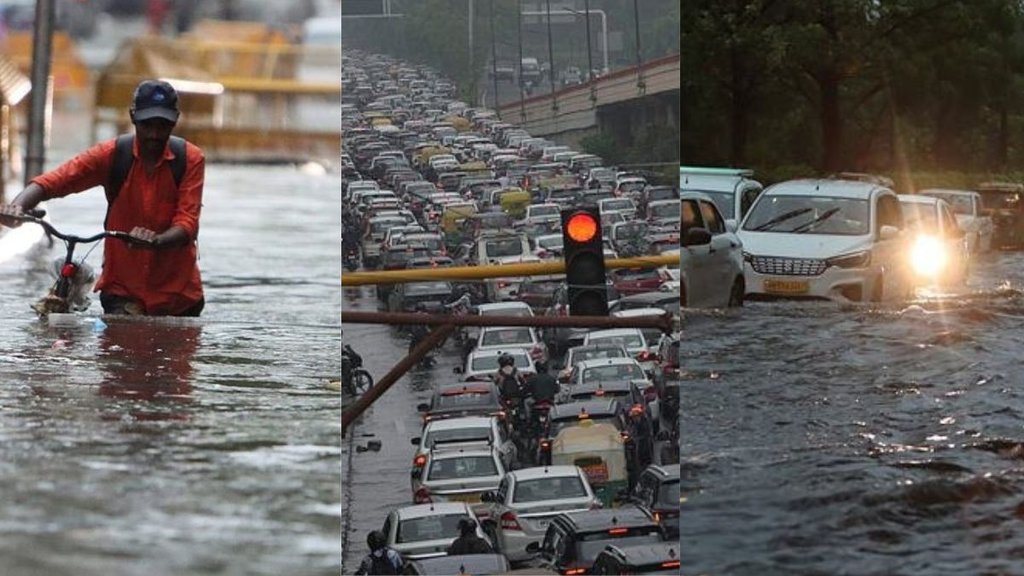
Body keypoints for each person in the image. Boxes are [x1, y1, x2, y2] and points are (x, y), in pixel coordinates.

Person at [0, 80, 206, 317]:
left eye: (163, 126)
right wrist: (17, 207)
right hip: (123, 291)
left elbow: (187, 223)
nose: (154, 135)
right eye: (147, 125)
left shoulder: (190, 159)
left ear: (175, 120)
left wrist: (156, 240)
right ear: (133, 117)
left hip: (178, 295)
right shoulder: (113, 155)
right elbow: (55, 181)